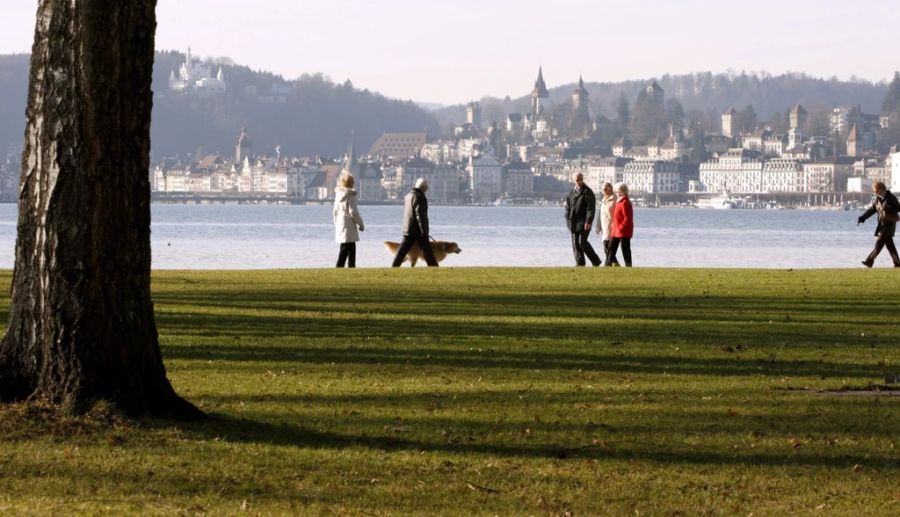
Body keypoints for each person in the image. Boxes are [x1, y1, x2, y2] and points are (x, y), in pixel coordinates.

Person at [392, 178, 439, 267]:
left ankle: (394, 266)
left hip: (408, 228)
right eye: (426, 188)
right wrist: (424, 231)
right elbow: (420, 215)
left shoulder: (408, 196)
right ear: (423, 187)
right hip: (417, 230)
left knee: (402, 251)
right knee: (427, 251)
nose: (427, 190)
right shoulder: (420, 197)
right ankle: (434, 267)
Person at [857, 181, 900, 268]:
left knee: (879, 243)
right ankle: (897, 264)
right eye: (874, 191)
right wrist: (863, 217)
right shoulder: (877, 199)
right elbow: (872, 209)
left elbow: (898, 208)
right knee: (890, 246)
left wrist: (890, 208)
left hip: (889, 224)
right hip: (882, 224)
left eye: (876, 191)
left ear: (882, 189)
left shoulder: (891, 198)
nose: (875, 193)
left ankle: (869, 261)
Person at [564, 173, 602, 266]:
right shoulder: (571, 193)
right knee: (575, 243)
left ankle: (596, 261)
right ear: (574, 180)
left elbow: (591, 208)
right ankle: (580, 263)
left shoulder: (588, 192)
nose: (579, 181)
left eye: (580, 179)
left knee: (582, 242)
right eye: (577, 180)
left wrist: (588, 221)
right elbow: (567, 208)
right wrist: (567, 219)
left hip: (584, 222)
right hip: (573, 222)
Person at [333, 173, 364, 268]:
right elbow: (353, 212)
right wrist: (361, 224)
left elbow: (334, 211)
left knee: (345, 246)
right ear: (351, 183)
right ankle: (346, 266)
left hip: (340, 223)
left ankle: (348, 267)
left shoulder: (338, 194)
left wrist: (336, 224)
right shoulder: (351, 194)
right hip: (349, 224)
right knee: (349, 248)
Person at [605, 182, 633, 267]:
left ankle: (628, 266)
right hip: (616, 230)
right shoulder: (619, 201)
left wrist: (621, 227)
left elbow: (627, 218)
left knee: (625, 249)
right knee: (611, 248)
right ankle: (607, 264)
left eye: (617, 191)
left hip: (623, 231)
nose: (616, 193)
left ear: (621, 191)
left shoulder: (625, 202)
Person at [595, 181, 620, 266]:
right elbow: (600, 214)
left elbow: (617, 214)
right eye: (602, 189)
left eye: (605, 189)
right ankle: (614, 263)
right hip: (604, 226)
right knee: (606, 245)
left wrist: (615, 224)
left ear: (610, 189)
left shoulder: (615, 199)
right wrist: (598, 227)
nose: (604, 191)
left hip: (612, 226)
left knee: (608, 246)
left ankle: (611, 263)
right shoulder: (603, 200)